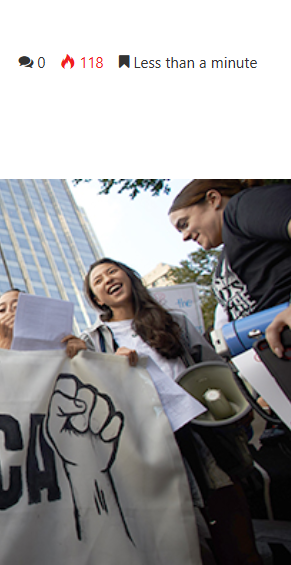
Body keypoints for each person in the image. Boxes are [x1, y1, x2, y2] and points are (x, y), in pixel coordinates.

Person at [80, 258, 260, 565]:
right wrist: (111, 365)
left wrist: (237, 408)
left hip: (203, 435)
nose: (108, 279)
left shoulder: (174, 320)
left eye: (112, 271)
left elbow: (213, 368)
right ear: (97, 299)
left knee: (232, 526)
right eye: (98, 280)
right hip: (152, 443)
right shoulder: (94, 340)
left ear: (128, 276)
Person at [168, 179, 291, 359]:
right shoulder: (228, 253)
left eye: (184, 224)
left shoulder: (242, 206)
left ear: (213, 199)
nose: (184, 237)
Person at [0, 289, 84, 356]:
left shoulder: (57, 342)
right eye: (2, 310)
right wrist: (4, 342)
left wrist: (81, 354)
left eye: (16, 307)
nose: (9, 312)